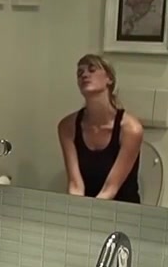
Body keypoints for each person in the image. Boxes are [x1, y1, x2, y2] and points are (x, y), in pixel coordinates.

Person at [57, 54, 143, 203]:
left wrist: (89, 214)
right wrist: (76, 211)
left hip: (124, 209)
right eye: (80, 72)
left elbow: (110, 189)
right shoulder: (67, 126)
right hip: (86, 208)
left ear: (109, 79)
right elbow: (75, 185)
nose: (84, 75)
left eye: (92, 70)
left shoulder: (131, 129)